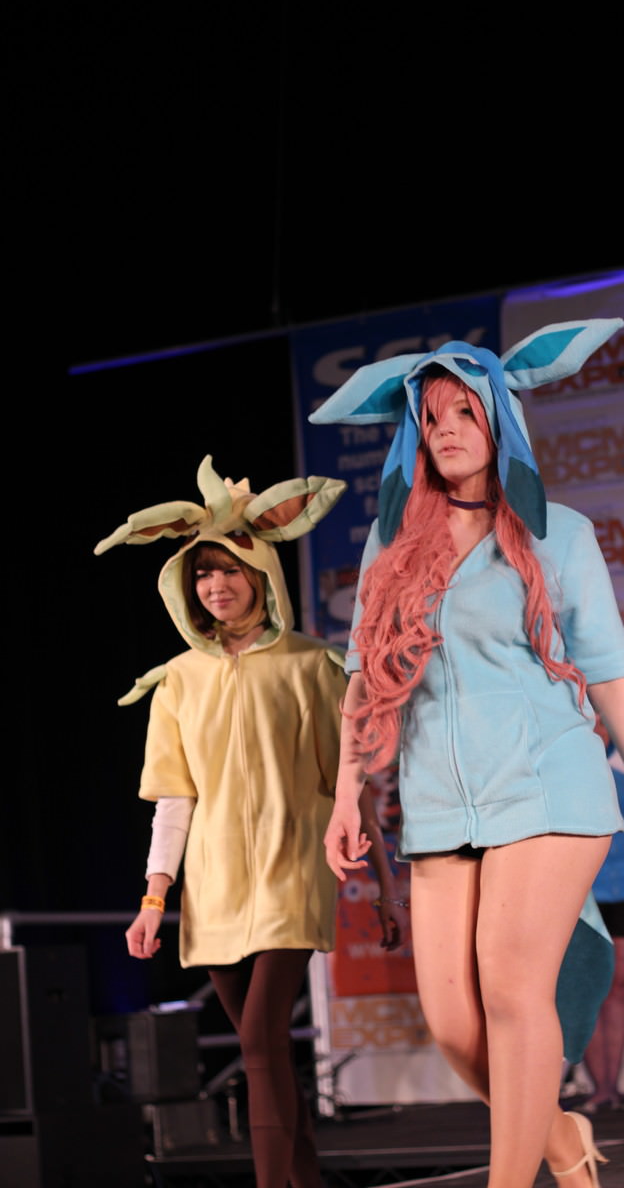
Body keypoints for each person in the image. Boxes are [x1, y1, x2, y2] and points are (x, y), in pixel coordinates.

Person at [309, 324, 624, 1188]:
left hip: (548, 786)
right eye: (432, 417)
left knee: (512, 990)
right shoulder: (391, 544)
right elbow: (362, 678)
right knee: (451, 1023)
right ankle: (562, 1140)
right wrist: (346, 796)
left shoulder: (561, 535)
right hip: (441, 802)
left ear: (500, 422)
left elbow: (611, 676)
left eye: (465, 413)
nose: (447, 429)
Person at [96, 457, 405, 1188]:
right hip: (214, 888)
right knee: (264, 1053)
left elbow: (350, 787)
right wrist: (153, 898)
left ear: (261, 574)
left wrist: (387, 888)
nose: (216, 584)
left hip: (292, 870)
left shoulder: (311, 666)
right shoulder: (178, 680)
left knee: (262, 1043)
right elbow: (174, 801)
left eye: (230, 569)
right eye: (203, 574)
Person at [579, 719, 624, 1113]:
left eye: (601, 723)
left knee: (618, 987)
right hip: (581, 893)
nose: (597, 729)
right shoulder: (565, 770)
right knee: (590, 988)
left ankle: (613, 1085)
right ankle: (600, 1088)